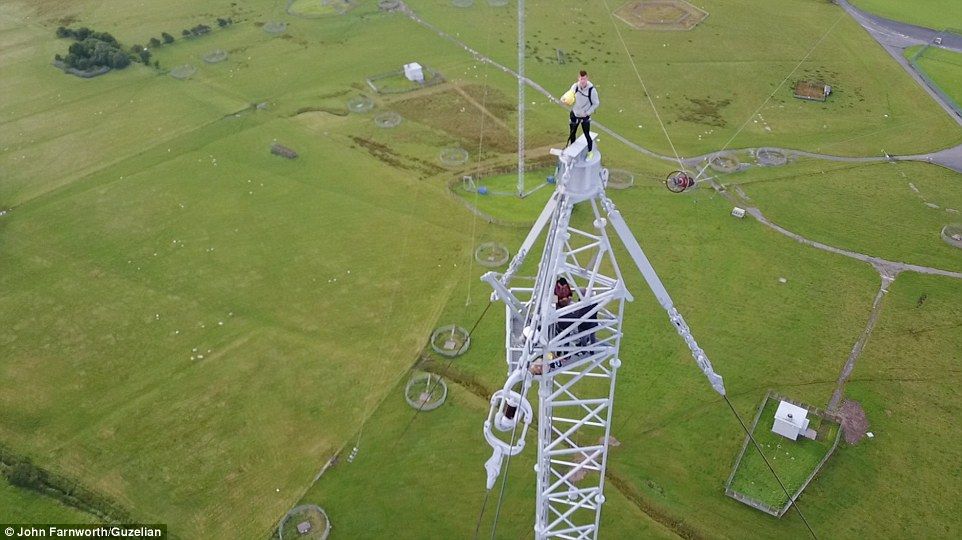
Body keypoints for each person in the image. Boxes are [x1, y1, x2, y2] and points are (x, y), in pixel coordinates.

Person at [565, 70, 600, 153]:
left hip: (585, 116)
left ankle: (590, 152)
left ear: (587, 78)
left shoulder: (592, 90)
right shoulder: (575, 86)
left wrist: (587, 113)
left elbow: (596, 103)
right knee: (572, 133)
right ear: (578, 78)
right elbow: (570, 95)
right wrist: (565, 99)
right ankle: (572, 150)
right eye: (581, 79)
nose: (583, 81)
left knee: (586, 134)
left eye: (584, 79)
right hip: (575, 113)